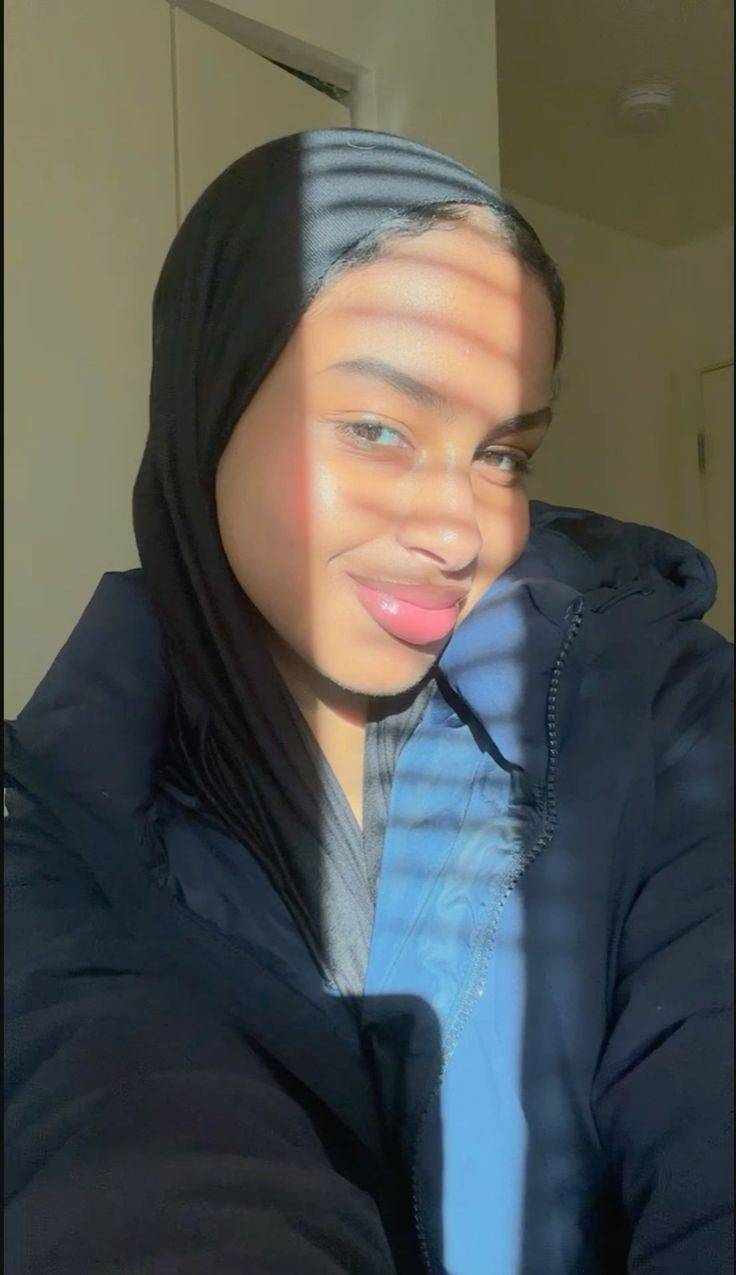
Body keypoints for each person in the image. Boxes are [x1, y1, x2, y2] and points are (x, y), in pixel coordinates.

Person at [4, 128, 732, 1274]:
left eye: (502, 455)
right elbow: (133, 1144)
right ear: (209, 404)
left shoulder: (657, 707)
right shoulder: (70, 825)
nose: (460, 531)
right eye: (378, 430)